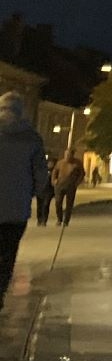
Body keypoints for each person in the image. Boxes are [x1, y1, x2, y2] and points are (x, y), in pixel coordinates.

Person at [0, 92, 51, 312]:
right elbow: (40, 176)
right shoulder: (32, 138)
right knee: (7, 254)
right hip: (15, 211)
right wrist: (40, 194)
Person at [51, 147, 86, 227]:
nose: (67, 156)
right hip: (60, 185)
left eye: (69, 155)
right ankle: (59, 219)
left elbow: (82, 173)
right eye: (66, 154)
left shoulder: (77, 163)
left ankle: (66, 221)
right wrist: (54, 180)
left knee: (69, 204)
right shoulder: (60, 163)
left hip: (71, 186)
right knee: (58, 202)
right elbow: (54, 172)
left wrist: (77, 183)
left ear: (72, 155)